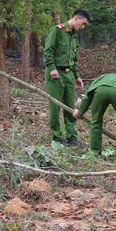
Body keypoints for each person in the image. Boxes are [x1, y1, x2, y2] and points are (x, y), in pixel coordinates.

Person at [44, 9, 89, 147]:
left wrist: (77, 76)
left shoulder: (74, 37)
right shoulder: (57, 31)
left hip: (69, 75)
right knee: (55, 107)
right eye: (83, 23)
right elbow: (48, 50)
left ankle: (72, 138)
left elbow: (73, 60)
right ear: (76, 18)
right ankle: (57, 138)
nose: (83, 27)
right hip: (56, 74)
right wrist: (52, 68)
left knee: (70, 107)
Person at [72, 73, 116, 157]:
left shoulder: (99, 80)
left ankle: (95, 152)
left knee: (95, 122)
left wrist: (80, 112)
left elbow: (88, 96)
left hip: (100, 91)